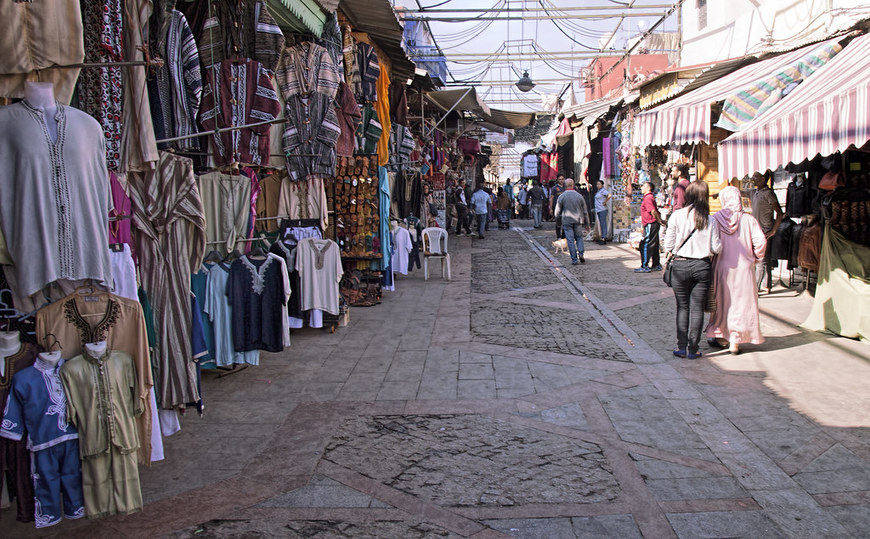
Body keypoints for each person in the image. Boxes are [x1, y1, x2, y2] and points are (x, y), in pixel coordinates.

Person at [705, 186, 767, 355]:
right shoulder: (749, 219)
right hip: (744, 269)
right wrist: (755, 258)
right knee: (741, 304)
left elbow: (711, 244)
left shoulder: (715, 219)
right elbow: (760, 241)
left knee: (724, 303)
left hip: (722, 268)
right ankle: (736, 342)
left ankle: (722, 337)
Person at [664, 181, 721, 359]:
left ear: (688, 195)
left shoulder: (677, 216)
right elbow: (717, 247)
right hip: (702, 266)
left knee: (682, 307)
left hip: (680, 266)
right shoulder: (710, 219)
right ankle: (693, 349)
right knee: (697, 309)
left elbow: (668, 245)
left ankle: (681, 347)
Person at [745, 171, 784, 294]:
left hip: (765, 230)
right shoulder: (754, 192)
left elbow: (780, 213)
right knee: (765, 259)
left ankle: (755, 289)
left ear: (763, 179)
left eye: (756, 177)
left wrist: (773, 230)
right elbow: (738, 192)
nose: (753, 178)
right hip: (756, 230)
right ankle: (766, 286)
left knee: (760, 260)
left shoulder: (769, 194)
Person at [554, 179, 590, 265]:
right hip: (578, 219)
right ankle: (581, 253)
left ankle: (574, 259)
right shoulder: (579, 196)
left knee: (570, 240)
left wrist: (558, 222)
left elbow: (557, 212)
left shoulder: (562, 197)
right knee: (579, 237)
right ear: (573, 185)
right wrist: (587, 224)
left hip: (567, 220)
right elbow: (585, 211)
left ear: (565, 186)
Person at [635, 181, 664, 272]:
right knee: (654, 244)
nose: (641, 188)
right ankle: (656, 264)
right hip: (651, 223)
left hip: (651, 223)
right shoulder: (649, 197)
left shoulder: (648, 198)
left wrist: (659, 220)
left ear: (648, 188)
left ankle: (645, 266)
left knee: (646, 243)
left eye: (643, 186)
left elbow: (653, 211)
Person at [594, 179, 611, 244]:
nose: (598, 185)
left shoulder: (603, 191)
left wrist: (605, 202)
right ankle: (602, 237)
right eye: (597, 184)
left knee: (603, 224)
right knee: (601, 223)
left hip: (602, 209)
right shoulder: (599, 191)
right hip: (598, 209)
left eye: (599, 184)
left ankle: (604, 237)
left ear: (602, 185)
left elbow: (609, 195)